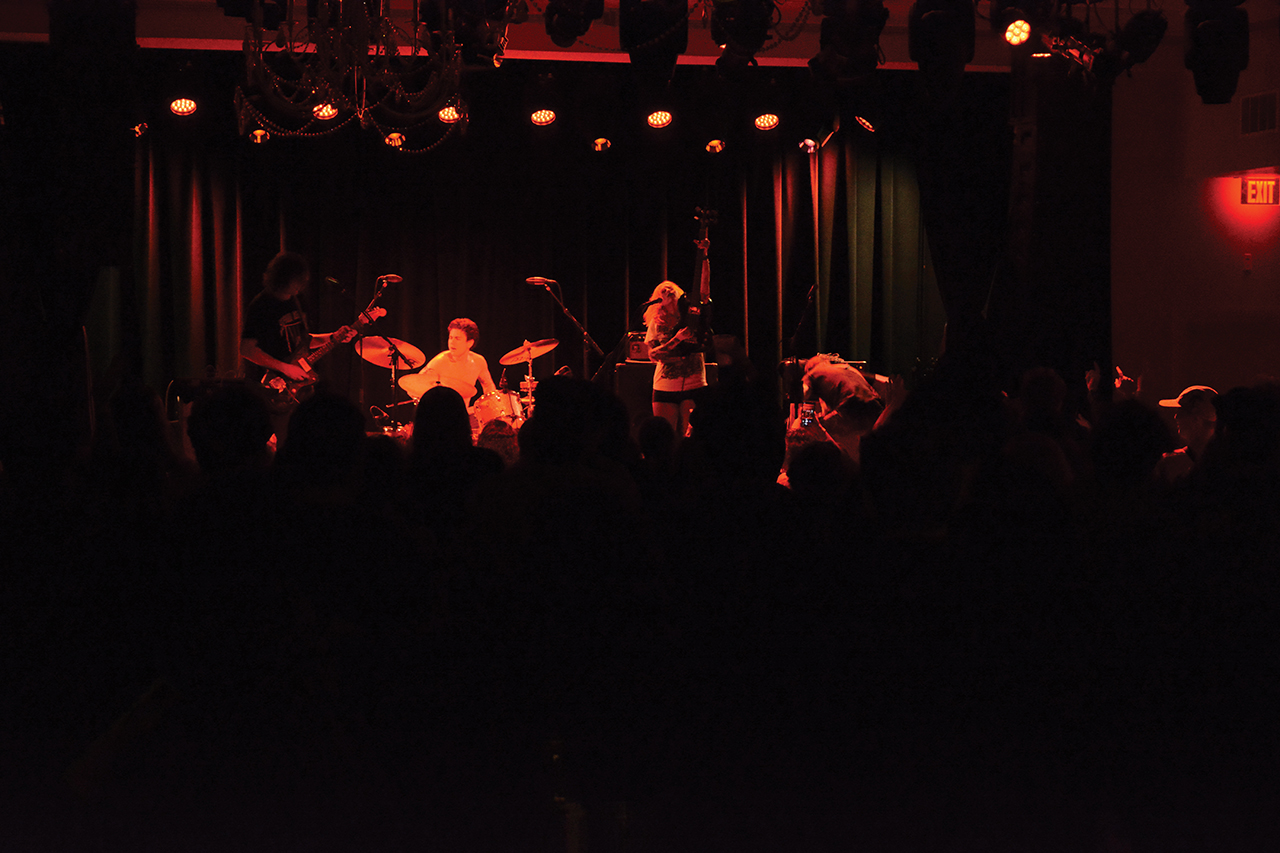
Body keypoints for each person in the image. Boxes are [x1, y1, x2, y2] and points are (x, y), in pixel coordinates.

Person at [240, 251, 359, 437]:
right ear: (282, 278)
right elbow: (247, 350)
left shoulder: (297, 299)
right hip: (275, 384)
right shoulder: (260, 306)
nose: (302, 284)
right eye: (297, 280)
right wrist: (285, 368)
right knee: (283, 435)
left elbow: (304, 339)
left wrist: (333, 336)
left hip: (301, 383)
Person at [643, 280, 707, 438]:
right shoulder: (656, 323)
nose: (668, 290)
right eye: (663, 290)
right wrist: (677, 339)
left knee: (692, 437)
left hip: (694, 384)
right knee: (664, 438)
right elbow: (652, 355)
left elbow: (704, 293)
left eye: (671, 289)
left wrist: (704, 259)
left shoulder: (692, 317)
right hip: (664, 387)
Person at [413, 318, 497, 407]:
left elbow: (488, 385)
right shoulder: (439, 361)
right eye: (450, 338)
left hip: (463, 415)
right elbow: (414, 387)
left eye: (457, 338)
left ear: (470, 343)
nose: (452, 342)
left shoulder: (478, 361)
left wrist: (491, 404)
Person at [1154, 384, 1218, 484]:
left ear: (1196, 419)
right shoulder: (1233, 462)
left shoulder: (1171, 465)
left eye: (1181, 411)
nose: (1176, 417)